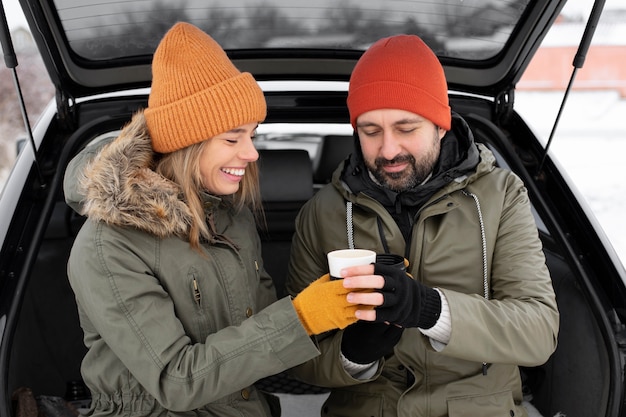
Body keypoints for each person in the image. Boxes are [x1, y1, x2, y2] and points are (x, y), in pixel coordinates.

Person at [63, 22, 375, 417]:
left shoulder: (230, 220)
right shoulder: (107, 246)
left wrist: (360, 339)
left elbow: (266, 340)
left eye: (253, 135)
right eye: (232, 138)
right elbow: (176, 382)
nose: (252, 153)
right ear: (185, 143)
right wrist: (301, 316)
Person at [285, 34, 560, 417]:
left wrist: (431, 310)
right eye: (370, 131)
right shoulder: (323, 213)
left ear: (441, 124)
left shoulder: (501, 196)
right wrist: (352, 355)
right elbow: (294, 350)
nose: (388, 150)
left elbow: (538, 331)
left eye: (406, 127)